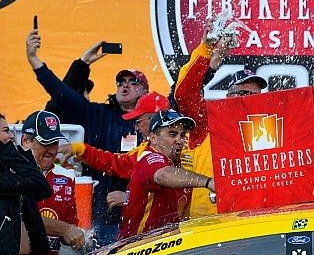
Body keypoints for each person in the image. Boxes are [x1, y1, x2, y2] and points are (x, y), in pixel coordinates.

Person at [26, 29, 149, 245]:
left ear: (145, 92)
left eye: (132, 82)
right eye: (120, 82)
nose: (124, 85)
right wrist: (80, 64)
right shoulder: (98, 114)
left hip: (139, 217)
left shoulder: (153, 123)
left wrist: (130, 197)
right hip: (100, 218)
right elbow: (61, 94)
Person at [173, 31, 267, 218]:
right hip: (207, 225)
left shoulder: (268, 129)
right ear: (228, 97)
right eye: (244, 95)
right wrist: (206, 48)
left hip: (253, 224)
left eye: (256, 97)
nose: (251, 102)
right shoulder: (207, 122)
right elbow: (184, 94)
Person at [59, 92, 173, 209]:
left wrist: (129, 198)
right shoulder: (145, 149)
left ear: (153, 119)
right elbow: (115, 162)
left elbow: (171, 193)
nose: (136, 127)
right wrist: (81, 149)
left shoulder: (183, 147)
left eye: (138, 122)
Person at [118, 110, 215, 239]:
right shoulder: (149, 158)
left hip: (162, 248)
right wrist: (208, 182)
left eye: (182, 135)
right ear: (153, 138)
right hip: (134, 249)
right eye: (172, 134)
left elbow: (183, 218)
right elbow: (163, 174)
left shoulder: (179, 166)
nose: (179, 140)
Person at [19, 111, 85, 255]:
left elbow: (70, 230)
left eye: (54, 143)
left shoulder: (67, 177)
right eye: (45, 143)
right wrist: (64, 229)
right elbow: (21, 217)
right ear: (26, 141)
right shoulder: (12, 173)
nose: (51, 150)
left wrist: (81, 238)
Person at [0, 113, 51, 255]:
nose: (11, 136)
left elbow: (43, 189)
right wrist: (7, 152)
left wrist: (17, 154)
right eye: (6, 131)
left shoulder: (7, 169)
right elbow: (37, 182)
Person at [44, 41, 104, 120]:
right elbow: (63, 94)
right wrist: (83, 63)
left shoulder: (91, 120)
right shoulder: (53, 116)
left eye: (84, 92)